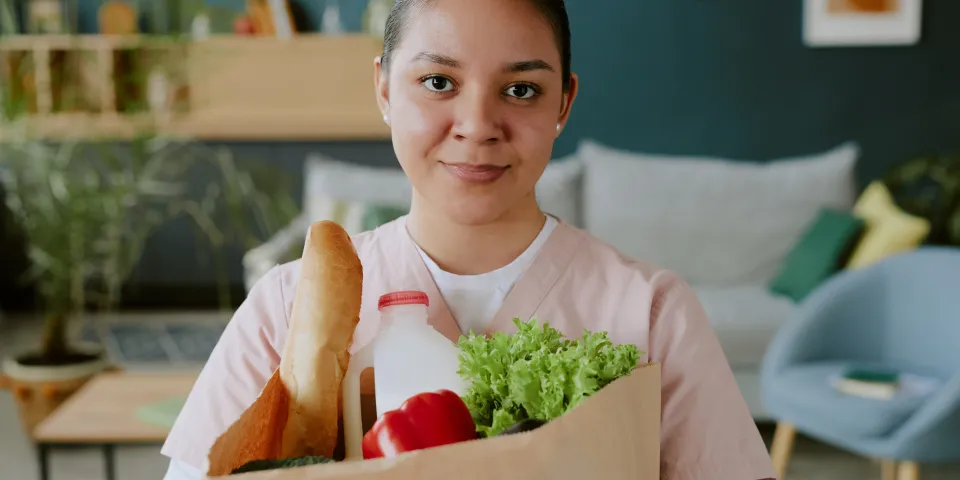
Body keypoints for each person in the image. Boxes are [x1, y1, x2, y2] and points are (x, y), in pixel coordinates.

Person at [161, 0, 777, 478]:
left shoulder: (652, 312)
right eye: (437, 82)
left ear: (564, 102)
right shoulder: (286, 308)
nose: (478, 126)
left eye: (520, 90)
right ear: (383, 89)